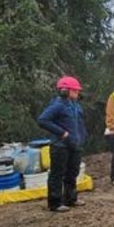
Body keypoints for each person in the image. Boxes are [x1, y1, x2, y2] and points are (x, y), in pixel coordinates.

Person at [38, 76, 88, 212]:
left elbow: (79, 123)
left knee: (73, 172)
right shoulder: (57, 105)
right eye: (75, 91)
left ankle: (71, 198)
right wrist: (61, 133)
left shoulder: (75, 105)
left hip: (74, 144)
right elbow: (43, 120)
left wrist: (82, 137)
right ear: (66, 91)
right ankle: (55, 203)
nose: (78, 93)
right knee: (57, 174)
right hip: (60, 145)